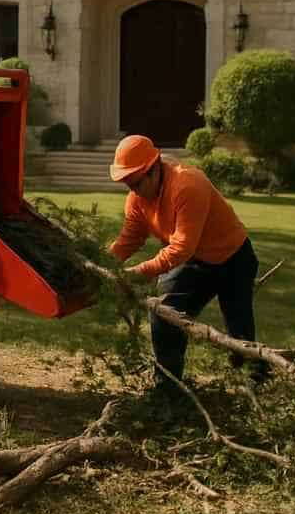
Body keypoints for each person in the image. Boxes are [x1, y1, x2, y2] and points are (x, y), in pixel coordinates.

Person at [106, 134, 262, 393]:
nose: (132, 191)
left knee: (239, 333)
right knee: (163, 312)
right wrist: (104, 263)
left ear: (153, 170)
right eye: (127, 185)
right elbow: (130, 238)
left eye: (135, 183)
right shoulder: (136, 198)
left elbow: (181, 247)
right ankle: (168, 388)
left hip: (233, 258)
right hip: (192, 261)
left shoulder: (188, 185)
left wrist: (139, 272)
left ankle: (256, 384)